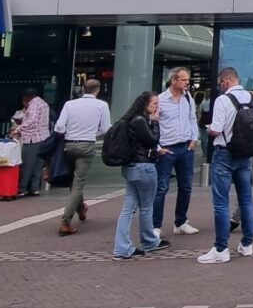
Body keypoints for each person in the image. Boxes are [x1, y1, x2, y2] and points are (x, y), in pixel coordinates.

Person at [198, 67, 253, 264]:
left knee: (221, 202)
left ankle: (221, 248)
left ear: (226, 80)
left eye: (220, 83)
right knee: (246, 199)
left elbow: (216, 130)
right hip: (246, 154)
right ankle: (248, 244)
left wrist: (208, 129)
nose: (220, 87)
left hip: (224, 153)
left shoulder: (223, 100)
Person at [112, 92, 173, 260]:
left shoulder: (131, 120)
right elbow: (153, 140)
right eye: (154, 103)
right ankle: (148, 241)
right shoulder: (141, 121)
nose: (156, 107)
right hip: (143, 167)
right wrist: (155, 122)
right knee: (146, 206)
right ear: (145, 104)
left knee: (129, 206)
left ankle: (123, 246)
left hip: (132, 167)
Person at [54, 80, 111, 236]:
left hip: (69, 145)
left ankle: (81, 210)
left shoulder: (69, 104)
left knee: (75, 181)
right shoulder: (101, 106)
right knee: (78, 183)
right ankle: (65, 222)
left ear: (83, 89)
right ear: (97, 90)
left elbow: (59, 127)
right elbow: (106, 128)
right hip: (87, 145)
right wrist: (92, 133)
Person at [153, 67, 200, 238]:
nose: (187, 82)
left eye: (187, 80)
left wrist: (194, 138)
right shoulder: (160, 100)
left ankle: (180, 222)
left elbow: (192, 118)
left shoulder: (188, 97)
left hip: (185, 147)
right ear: (173, 81)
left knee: (186, 186)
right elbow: (153, 124)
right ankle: (155, 225)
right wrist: (158, 147)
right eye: (184, 79)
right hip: (167, 148)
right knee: (161, 187)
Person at [12, 89, 51, 196]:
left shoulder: (33, 104)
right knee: (38, 165)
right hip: (43, 137)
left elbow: (31, 120)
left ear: (26, 97)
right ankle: (34, 187)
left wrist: (18, 128)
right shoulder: (43, 103)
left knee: (27, 164)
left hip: (32, 138)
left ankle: (22, 188)